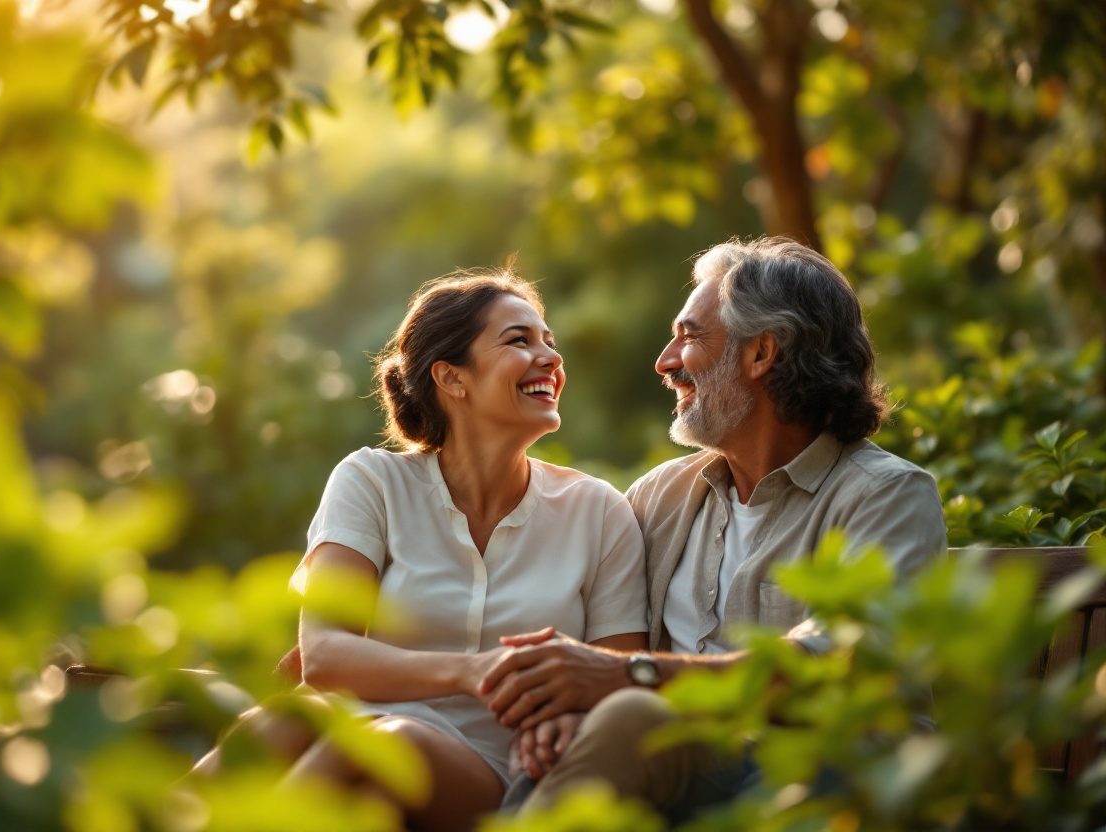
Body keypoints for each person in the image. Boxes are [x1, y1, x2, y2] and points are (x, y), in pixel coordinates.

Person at [480, 237, 947, 820]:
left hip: (822, 782)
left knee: (630, 716)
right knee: (573, 737)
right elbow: (606, 644)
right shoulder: (659, 497)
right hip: (680, 779)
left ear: (761, 355)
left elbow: (841, 666)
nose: (665, 361)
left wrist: (632, 677)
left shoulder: (886, 496)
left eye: (690, 336)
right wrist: (572, 710)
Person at [211, 270, 649, 831]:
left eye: (550, 343)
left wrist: (570, 714)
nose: (549, 359)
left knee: (386, 746)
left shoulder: (599, 511)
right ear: (451, 377)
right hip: (361, 730)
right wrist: (474, 672)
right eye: (520, 341)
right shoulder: (371, 481)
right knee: (283, 722)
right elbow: (322, 657)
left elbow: (614, 676)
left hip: (502, 771)